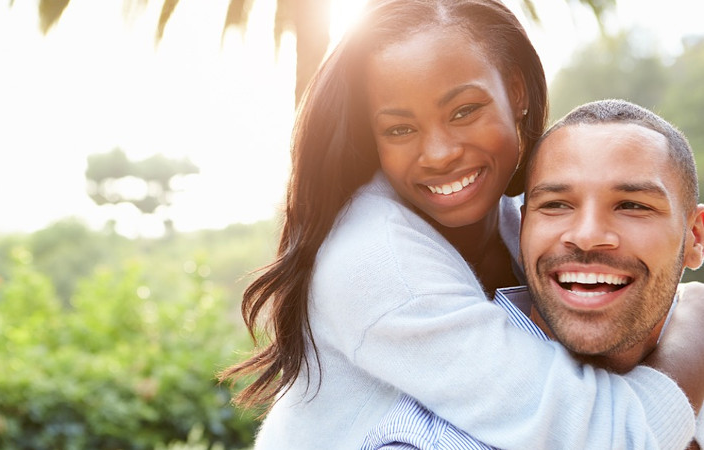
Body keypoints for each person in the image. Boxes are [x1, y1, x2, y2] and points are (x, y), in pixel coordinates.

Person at [220, 1, 704, 448]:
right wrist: (694, 333)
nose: (440, 153)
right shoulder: (376, 259)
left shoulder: (518, 217)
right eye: (399, 129)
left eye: (464, 111)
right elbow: (606, 437)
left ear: (516, 92)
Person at [361, 99, 704, 449]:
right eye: (556, 205)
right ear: (524, 227)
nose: (586, 236)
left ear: (695, 237)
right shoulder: (430, 441)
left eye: (632, 206)